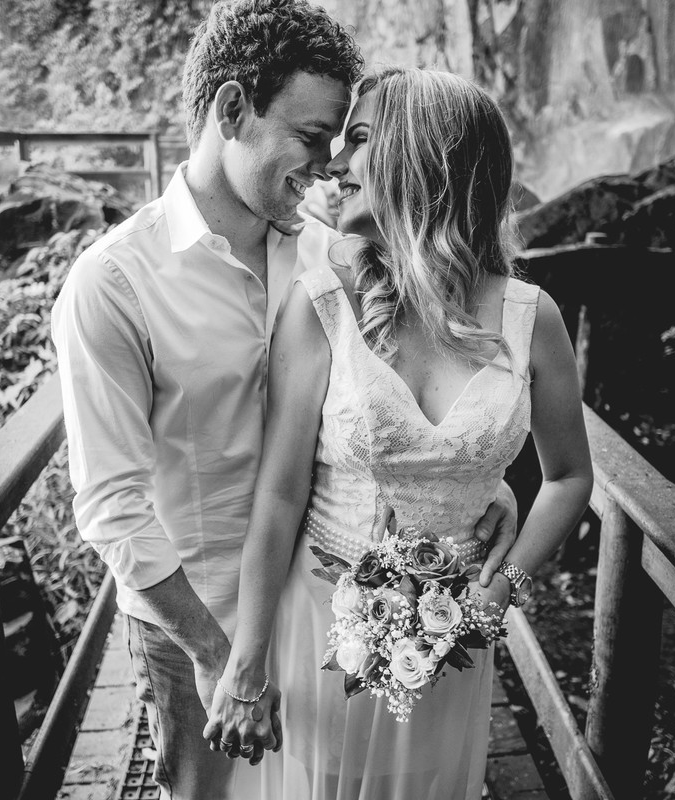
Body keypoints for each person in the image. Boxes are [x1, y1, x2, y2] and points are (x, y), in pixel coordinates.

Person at [50, 4, 518, 798]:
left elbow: (410, 393)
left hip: (329, 613)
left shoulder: (336, 257)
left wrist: (477, 484)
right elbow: (110, 505)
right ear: (233, 109)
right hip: (194, 619)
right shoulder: (114, 283)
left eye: (340, 141)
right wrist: (219, 657)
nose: (330, 166)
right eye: (311, 137)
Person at [203, 67, 594, 799]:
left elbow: (570, 476)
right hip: (321, 623)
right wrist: (246, 661)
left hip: (456, 633)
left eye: (358, 139)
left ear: (425, 157)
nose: (336, 163)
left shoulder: (531, 318)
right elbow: (279, 496)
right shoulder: (321, 305)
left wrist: (503, 587)